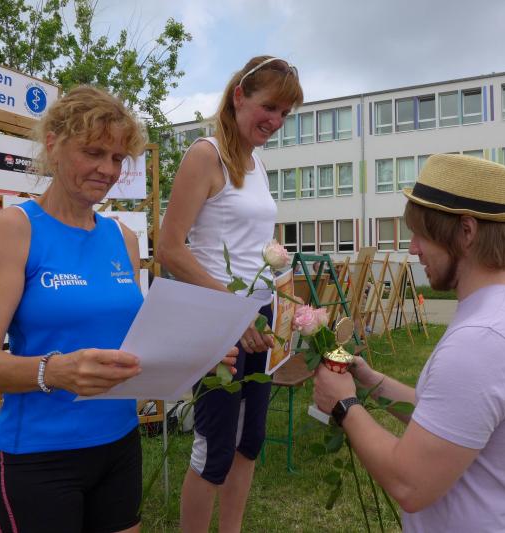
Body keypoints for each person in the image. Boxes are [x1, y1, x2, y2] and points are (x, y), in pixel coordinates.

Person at [0, 86, 236, 533]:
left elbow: (131, 347)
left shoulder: (122, 238)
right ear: (53, 144)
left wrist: (196, 354)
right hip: (39, 457)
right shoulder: (16, 228)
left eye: (117, 158)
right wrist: (55, 372)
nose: (107, 170)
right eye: (93, 152)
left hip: (119, 446)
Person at [313, 154, 505, 532]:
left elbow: (410, 483)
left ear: (466, 231)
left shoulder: (483, 337)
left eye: (421, 234)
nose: (413, 249)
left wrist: (344, 404)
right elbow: (452, 420)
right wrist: (370, 382)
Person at [157, 56, 303, 533]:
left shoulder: (258, 162)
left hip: (259, 317)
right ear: (239, 96)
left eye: (285, 113)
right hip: (218, 319)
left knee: (250, 441)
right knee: (214, 447)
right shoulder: (206, 155)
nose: (276, 121)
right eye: (270, 107)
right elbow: (169, 248)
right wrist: (231, 312)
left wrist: (285, 298)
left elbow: (256, 244)